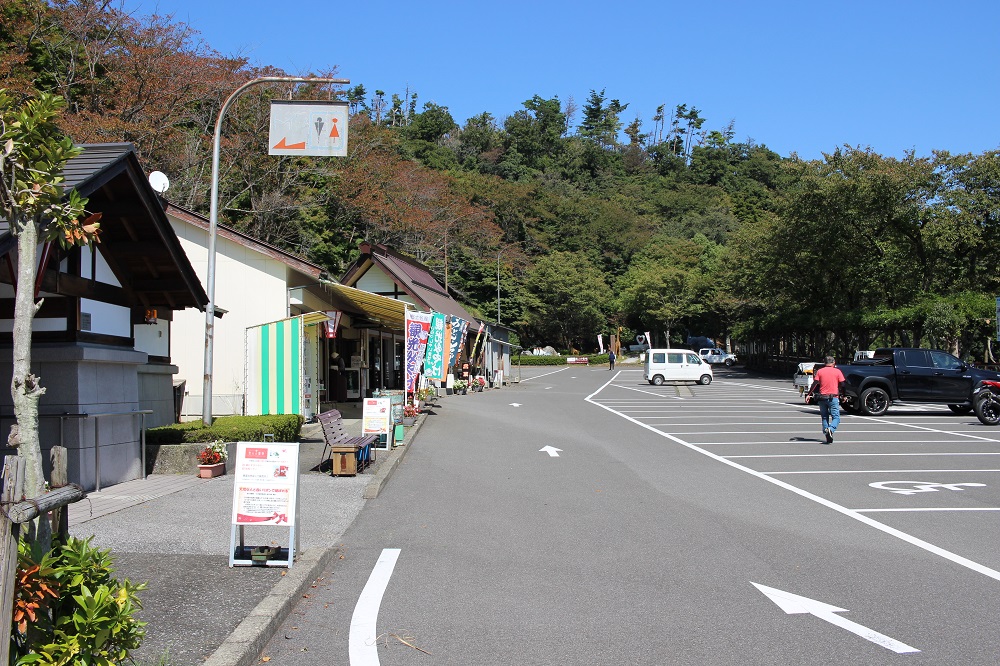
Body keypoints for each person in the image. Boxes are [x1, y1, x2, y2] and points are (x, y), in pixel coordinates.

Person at [807, 356, 847, 443]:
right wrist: (844, 395)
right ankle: (831, 429)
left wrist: (809, 394)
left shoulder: (820, 371)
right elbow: (843, 384)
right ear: (834, 362)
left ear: (824, 363)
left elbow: (815, 383)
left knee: (824, 417)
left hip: (822, 397)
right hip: (833, 397)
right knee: (836, 417)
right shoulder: (837, 371)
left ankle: (826, 433)